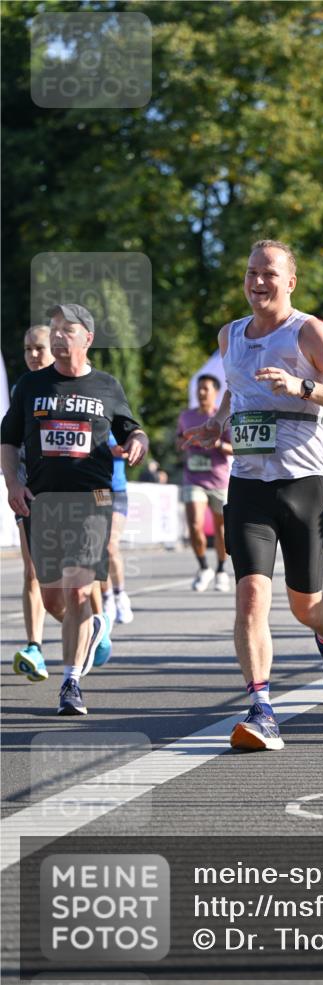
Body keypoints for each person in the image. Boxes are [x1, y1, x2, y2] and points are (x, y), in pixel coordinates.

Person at [185, 240, 323, 751]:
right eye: (251, 273)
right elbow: (236, 391)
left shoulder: (308, 331)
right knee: (249, 598)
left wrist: (302, 387)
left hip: (304, 482)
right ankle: (261, 707)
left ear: (291, 282)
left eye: (269, 274)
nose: (257, 282)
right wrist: (215, 423)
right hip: (247, 483)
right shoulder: (229, 336)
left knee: (304, 604)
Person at [1, 303, 148, 716]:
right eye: (55, 328)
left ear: (88, 338)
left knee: (80, 588)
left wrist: (138, 442)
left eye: (68, 329)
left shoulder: (106, 386)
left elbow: (131, 428)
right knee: (53, 600)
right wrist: (13, 482)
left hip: (93, 501)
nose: (59, 335)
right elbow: (8, 440)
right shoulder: (30, 386)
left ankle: (70, 683)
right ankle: (89, 627)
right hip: (42, 502)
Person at [12, 325, 54, 681]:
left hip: (73, 494)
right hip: (29, 490)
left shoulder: (70, 386)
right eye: (27, 349)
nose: (33, 355)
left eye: (39, 348)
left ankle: (93, 624)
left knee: (76, 577)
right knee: (32, 571)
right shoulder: (21, 389)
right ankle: (35, 647)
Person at [177, 373, 233, 592]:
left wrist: (216, 443)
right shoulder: (186, 417)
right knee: (194, 525)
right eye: (198, 389)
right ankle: (203, 567)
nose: (201, 393)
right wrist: (186, 440)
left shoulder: (223, 417)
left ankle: (220, 570)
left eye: (206, 389)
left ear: (216, 393)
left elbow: (234, 447)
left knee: (221, 531)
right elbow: (178, 440)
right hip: (193, 478)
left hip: (219, 479)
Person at [101, 432, 134, 625]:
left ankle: (120, 594)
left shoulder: (117, 424)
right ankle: (107, 598)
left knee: (110, 545)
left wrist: (122, 450)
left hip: (117, 490)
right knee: (98, 547)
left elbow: (129, 449)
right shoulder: (89, 419)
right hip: (97, 490)